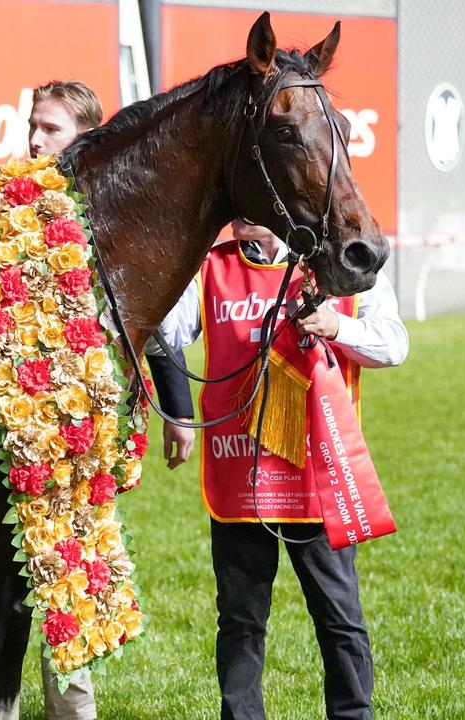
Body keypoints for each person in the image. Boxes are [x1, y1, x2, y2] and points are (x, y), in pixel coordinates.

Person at [152, 220, 408, 720]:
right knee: (240, 620)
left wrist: (339, 327)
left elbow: (394, 345)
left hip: (316, 476)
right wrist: (161, 268)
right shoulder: (212, 264)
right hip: (240, 474)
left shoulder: (341, 261)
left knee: (339, 617)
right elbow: (167, 334)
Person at [0, 79, 103, 720]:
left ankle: (72, 712)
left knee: (66, 586)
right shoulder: (0, 208)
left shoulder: (107, 218)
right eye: (33, 126)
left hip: (70, 439)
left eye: (52, 129)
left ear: (87, 136)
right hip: (10, 428)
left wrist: (170, 403)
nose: (36, 140)